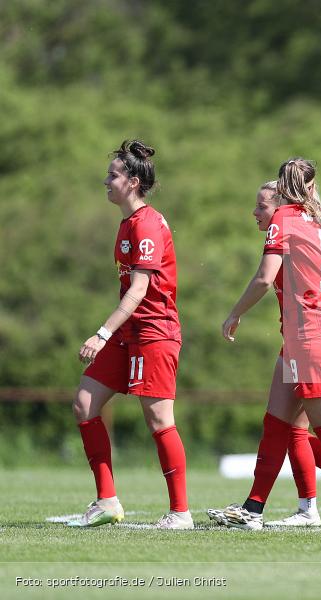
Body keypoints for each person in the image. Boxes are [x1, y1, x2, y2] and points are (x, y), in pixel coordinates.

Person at [217, 158, 321, 531]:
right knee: (277, 422)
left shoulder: (284, 219)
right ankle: (252, 509)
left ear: (284, 188)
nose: (257, 212)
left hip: (309, 336)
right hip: (316, 333)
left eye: (261, 205)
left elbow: (263, 278)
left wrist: (235, 313)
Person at [68, 140, 192, 529]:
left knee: (158, 419)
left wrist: (101, 333)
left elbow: (139, 291)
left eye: (113, 175)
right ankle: (106, 501)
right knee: (85, 404)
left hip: (154, 332)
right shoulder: (127, 223)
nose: (106, 181)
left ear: (133, 182)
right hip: (129, 333)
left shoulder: (148, 224)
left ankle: (180, 513)